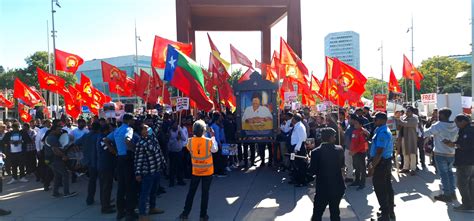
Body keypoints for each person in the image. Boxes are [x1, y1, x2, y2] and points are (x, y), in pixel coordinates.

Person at [179, 120, 218, 221]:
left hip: (196, 171)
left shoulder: (190, 141)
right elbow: (215, 150)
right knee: (205, 194)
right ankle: (203, 215)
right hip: (207, 172)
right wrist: (213, 136)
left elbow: (187, 147)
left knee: (191, 193)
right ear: (204, 130)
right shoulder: (208, 141)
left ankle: (185, 213)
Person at [104, 114, 138, 220]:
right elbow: (128, 140)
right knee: (130, 187)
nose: (134, 121)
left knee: (121, 186)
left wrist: (113, 150)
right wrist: (134, 149)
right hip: (128, 159)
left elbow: (106, 139)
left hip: (120, 159)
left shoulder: (117, 130)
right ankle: (129, 212)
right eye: (132, 120)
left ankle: (120, 211)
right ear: (128, 121)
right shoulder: (129, 129)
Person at [308, 127, 345, 221]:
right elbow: (341, 165)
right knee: (335, 212)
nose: (335, 138)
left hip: (323, 187)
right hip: (337, 186)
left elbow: (312, 171)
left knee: (317, 213)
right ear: (331, 137)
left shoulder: (316, 152)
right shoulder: (339, 149)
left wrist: (309, 162)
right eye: (334, 136)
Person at [424, 108, 459, 202]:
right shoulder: (455, 125)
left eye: (439, 114)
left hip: (440, 153)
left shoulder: (438, 125)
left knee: (444, 174)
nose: (438, 116)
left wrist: (426, 126)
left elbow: (425, 133)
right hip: (451, 153)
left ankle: (446, 194)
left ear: (442, 115)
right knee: (450, 173)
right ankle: (452, 193)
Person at [135, 123, 166, 221]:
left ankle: (152, 208)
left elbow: (159, 153)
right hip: (147, 172)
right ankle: (142, 214)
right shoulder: (140, 143)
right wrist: (138, 173)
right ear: (141, 132)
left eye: (148, 128)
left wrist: (163, 164)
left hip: (156, 170)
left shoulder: (153, 138)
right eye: (145, 129)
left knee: (154, 191)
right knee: (145, 193)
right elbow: (138, 160)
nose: (148, 130)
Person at [443, 114, 474, 212]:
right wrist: (453, 143)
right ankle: (471, 203)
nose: (456, 125)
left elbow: (465, 145)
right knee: (469, 183)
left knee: (462, 184)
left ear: (463, 121)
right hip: (467, 161)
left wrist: (453, 144)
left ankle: (467, 205)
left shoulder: (468, 131)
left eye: (457, 122)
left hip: (466, 161)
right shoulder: (465, 129)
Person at [368, 113, 395, 221]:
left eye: (376, 120)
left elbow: (379, 152)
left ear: (381, 120)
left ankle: (385, 215)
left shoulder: (383, 133)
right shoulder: (380, 130)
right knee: (387, 187)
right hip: (384, 162)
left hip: (381, 163)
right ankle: (388, 212)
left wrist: (372, 167)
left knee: (381, 189)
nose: (374, 122)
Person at [44, 124, 77, 198]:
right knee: (65, 174)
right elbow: (55, 150)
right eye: (58, 130)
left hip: (52, 160)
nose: (60, 131)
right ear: (53, 130)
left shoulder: (51, 137)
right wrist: (63, 156)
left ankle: (55, 193)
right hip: (55, 160)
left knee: (57, 176)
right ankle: (66, 193)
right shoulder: (52, 138)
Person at [76, 122, 101, 205]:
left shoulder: (86, 136)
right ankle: (104, 200)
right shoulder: (98, 136)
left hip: (89, 161)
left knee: (92, 181)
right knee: (103, 182)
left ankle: (90, 199)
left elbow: (76, 142)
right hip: (98, 161)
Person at [97, 124, 116, 214]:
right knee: (106, 186)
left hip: (106, 165)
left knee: (107, 186)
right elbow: (110, 150)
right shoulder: (103, 139)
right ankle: (105, 207)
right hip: (105, 166)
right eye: (111, 129)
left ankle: (106, 203)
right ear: (106, 130)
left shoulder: (103, 137)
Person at [396, 106, 419, 175]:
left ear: (412, 112)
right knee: (405, 153)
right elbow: (399, 126)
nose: (406, 112)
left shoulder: (414, 118)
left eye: (408, 111)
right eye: (406, 111)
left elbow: (406, 124)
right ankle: (405, 168)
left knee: (412, 153)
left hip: (411, 138)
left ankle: (413, 168)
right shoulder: (403, 118)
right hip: (403, 138)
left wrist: (399, 120)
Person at [350, 117, 369, 190]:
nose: (355, 124)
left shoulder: (362, 132)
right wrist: (351, 150)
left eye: (356, 123)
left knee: (362, 168)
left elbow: (362, 144)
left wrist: (354, 151)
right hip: (354, 153)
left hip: (360, 153)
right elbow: (353, 142)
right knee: (356, 168)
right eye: (354, 123)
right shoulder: (355, 131)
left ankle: (362, 183)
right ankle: (357, 181)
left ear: (361, 125)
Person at [35, 120, 54, 191]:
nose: (50, 124)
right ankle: (42, 178)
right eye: (49, 123)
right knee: (43, 165)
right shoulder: (41, 130)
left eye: (51, 123)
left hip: (52, 150)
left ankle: (49, 180)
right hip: (44, 150)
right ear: (45, 123)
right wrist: (38, 149)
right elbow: (38, 140)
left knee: (49, 166)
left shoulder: (52, 130)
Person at [290, 113, 307, 187]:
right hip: (295, 147)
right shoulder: (296, 125)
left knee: (300, 165)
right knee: (294, 164)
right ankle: (295, 179)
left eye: (292, 118)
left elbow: (301, 139)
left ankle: (301, 181)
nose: (291, 119)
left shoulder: (300, 126)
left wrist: (296, 149)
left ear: (295, 119)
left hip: (298, 149)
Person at [168, 121, 186, 187]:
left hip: (179, 151)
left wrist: (180, 134)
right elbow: (169, 143)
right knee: (172, 167)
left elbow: (184, 139)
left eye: (176, 125)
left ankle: (180, 180)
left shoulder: (179, 130)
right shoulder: (170, 132)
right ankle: (171, 181)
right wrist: (176, 138)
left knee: (180, 166)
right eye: (174, 125)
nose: (175, 126)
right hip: (172, 152)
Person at [343, 114, 356, 183]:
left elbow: (353, 140)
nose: (348, 120)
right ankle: (350, 175)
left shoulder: (355, 128)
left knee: (349, 163)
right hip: (347, 147)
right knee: (348, 163)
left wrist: (351, 149)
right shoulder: (349, 126)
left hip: (350, 148)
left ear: (353, 120)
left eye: (350, 119)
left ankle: (349, 177)